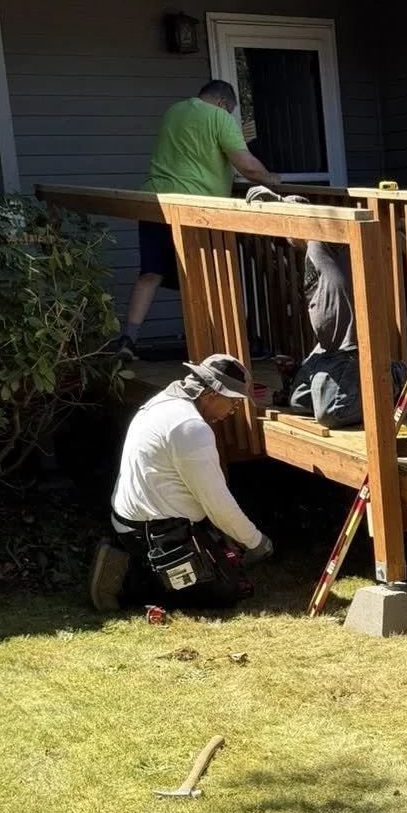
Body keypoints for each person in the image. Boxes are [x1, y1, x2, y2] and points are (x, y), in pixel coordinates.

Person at [88, 353, 275, 614]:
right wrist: (256, 542)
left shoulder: (164, 401)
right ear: (211, 393)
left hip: (131, 521)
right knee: (224, 591)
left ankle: (126, 553)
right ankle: (129, 579)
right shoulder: (190, 428)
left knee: (220, 561)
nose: (233, 411)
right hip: (156, 533)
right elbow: (218, 503)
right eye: (233, 403)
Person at [114, 80, 290, 356]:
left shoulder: (174, 111)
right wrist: (271, 178)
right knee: (207, 276)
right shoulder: (219, 118)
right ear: (222, 102)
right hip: (196, 209)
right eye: (230, 110)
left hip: (155, 203)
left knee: (151, 273)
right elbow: (248, 167)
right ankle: (218, 345)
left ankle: (128, 339)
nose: (229, 115)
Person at [286, 240, 364, 425]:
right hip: (326, 348)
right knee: (299, 401)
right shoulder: (313, 250)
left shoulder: (322, 243)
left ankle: (394, 378)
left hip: (348, 348)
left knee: (329, 414)